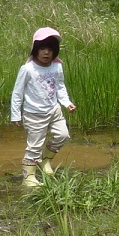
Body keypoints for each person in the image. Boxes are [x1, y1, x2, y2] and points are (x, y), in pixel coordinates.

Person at [10, 27, 76, 187]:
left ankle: (45, 160)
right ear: (35, 49)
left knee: (63, 135)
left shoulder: (57, 66)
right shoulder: (27, 69)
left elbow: (60, 87)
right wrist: (15, 115)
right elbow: (17, 93)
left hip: (54, 110)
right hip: (34, 114)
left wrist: (67, 103)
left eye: (51, 49)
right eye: (43, 49)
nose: (47, 53)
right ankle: (28, 176)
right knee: (34, 145)